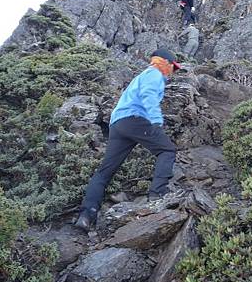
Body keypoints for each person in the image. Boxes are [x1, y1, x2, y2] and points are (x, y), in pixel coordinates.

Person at [75, 48, 181, 231]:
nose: (173, 71)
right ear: (165, 62)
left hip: (118, 124)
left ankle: (86, 214)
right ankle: (158, 195)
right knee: (167, 150)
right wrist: (156, 120)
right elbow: (148, 95)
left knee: (104, 172)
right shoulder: (154, 74)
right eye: (173, 66)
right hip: (135, 119)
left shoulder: (141, 76)